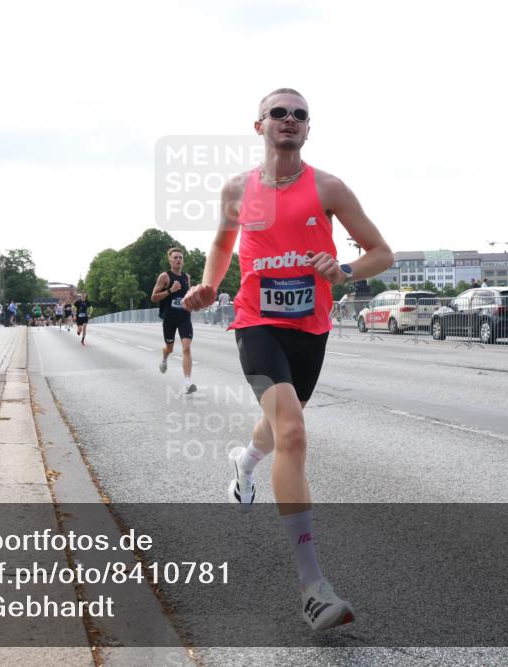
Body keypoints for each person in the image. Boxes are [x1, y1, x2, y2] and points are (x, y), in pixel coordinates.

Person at [182, 88, 393, 632]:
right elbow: (223, 246)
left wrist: (343, 270)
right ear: (260, 126)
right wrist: (209, 286)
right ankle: (311, 588)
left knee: (282, 423)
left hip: (310, 326)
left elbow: (381, 253)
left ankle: (245, 463)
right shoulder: (238, 190)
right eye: (280, 112)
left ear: (307, 130)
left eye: (300, 115)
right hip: (255, 321)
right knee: (294, 430)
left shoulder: (328, 187)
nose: (290, 120)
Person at [152, 247, 196, 394]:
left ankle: (188, 383)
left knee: (186, 348)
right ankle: (164, 358)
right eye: (175, 257)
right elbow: (153, 297)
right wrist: (171, 290)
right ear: (170, 260)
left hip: (184, 317)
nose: (178, 260)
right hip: (169, 318)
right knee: (169, 348)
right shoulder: (165, 277)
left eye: (180, 258)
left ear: (183, 261)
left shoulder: (186, 277)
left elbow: (187, 297)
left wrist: (194, 302)